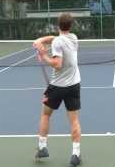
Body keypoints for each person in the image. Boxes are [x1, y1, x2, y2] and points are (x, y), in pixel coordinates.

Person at [33, 13, 82, 166]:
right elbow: (55, 39)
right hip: (74, 85)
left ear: (57, 25)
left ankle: (42, 148)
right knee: (74, 120)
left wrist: (43, 54)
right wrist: (41, 40)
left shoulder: (58, 42)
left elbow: (57, 64)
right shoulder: (73, 38)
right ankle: (76, 153)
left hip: (57, 87)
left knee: (45, 115)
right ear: (71, 26)